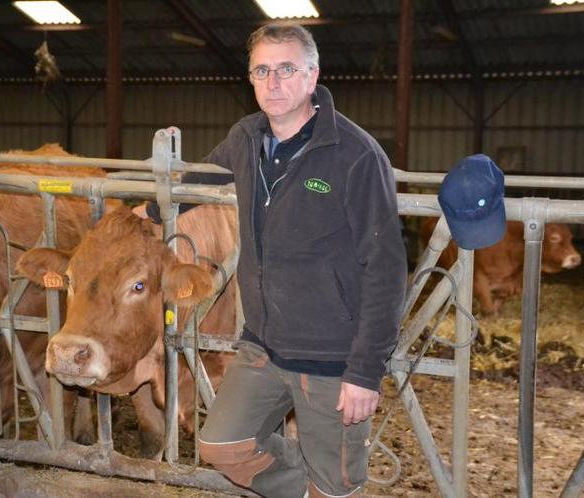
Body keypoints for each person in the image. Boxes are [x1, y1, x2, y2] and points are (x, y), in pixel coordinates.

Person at [146, 22, 407, 498]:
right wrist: (146, 210)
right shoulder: (245, 137)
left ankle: (324, 487)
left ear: (312, 76)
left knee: (338, 485)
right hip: (263, 345)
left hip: (331, 357)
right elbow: (201, 180)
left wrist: (365, 370)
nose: (273, 82)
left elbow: (386, 270)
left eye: (286, 69)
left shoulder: (354, 155)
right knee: (221, 445)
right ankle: (309, 487)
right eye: (261, 70)